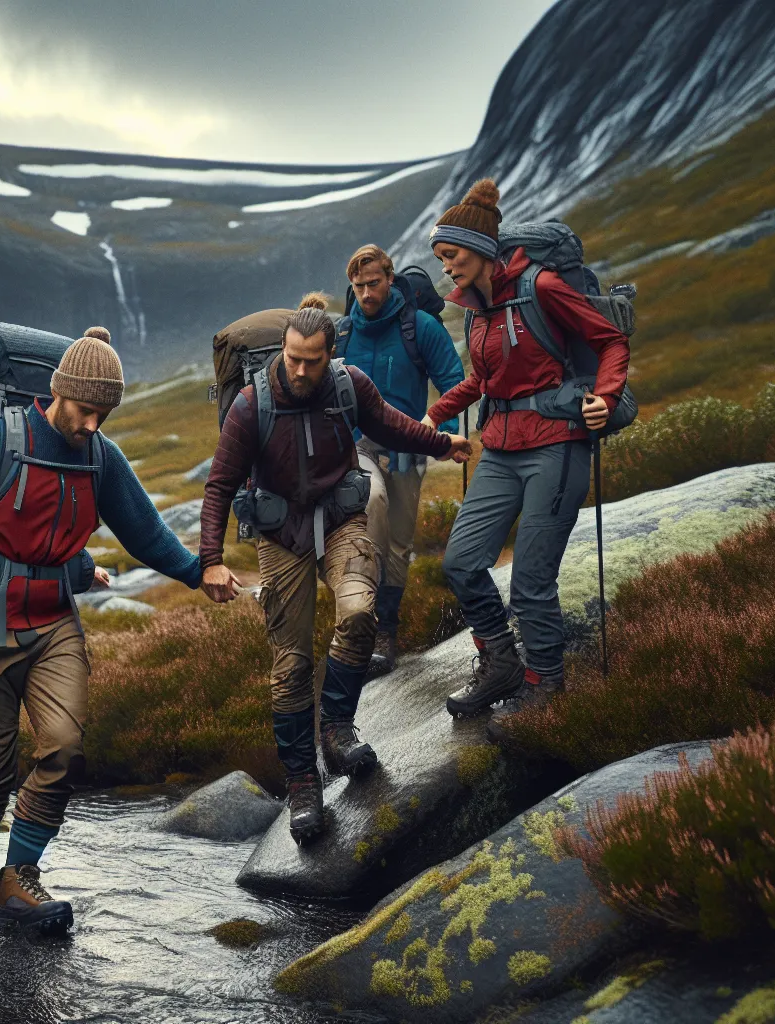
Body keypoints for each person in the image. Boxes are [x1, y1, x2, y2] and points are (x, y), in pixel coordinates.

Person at [0, 326, 200, 934]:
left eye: (103, 414)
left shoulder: (99, 455)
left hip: (57, 620)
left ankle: (21, 875)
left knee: (63, 745)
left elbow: (146, 531)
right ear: (59, 393)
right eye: (86, 410)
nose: (93, 424)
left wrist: (199, 571)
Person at [199, 295, 471, 844]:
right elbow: (219, 486)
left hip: (343, 520)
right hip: (281, 537)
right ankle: (303, 787)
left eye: (311, 360)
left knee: (359, 614)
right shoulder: (251, 407)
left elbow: (393, 427)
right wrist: (210, 560)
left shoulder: (351, 386)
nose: (300, 370)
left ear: (330, 353)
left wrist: (443, 444)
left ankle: (338, 730)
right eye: (293, 359)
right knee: (292, 665)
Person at [426, 179, 629, 719]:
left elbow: (609, 339)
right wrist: (433, 416)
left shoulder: (541, 288)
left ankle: (545, 684)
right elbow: (485, 380)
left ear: (483, 248)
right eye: (441, 258)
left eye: (452, 254)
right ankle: (501, 664)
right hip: (500, 446)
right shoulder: (476, 309)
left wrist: (604, 399)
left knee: (532, 580)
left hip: (557, 443)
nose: (446, 267)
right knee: (461, 563)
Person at [337, 245, 466, 676]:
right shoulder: (341, 334)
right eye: (358, 287)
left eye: (374, 284)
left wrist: (433, 424)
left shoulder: (420, 327)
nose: (366, 294)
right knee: (370, 502)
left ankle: (386, 631)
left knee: (400, 541)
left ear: (390, 279)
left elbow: (455, 383)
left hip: (409, 446)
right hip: (356, 446)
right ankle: (366, 622)